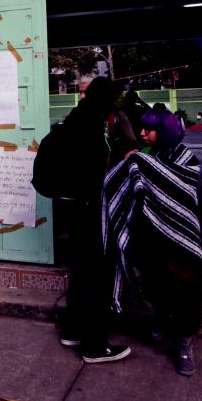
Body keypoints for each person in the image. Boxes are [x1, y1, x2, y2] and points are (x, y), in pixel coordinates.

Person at [102, 108, 202, 376]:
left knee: (188, 286)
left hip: (181, 237)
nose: (142, 134)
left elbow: (182, 188)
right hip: (151, 234)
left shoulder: (187, 159)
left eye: (149, 129)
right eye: (142, 129)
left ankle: (184, 342)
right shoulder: (144, 156)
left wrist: (141, 164)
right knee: (155, 280)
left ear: (166, 131)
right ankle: (161, 316)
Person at [56, 77, 133, 363]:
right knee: (95, 275)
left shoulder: (76, 117)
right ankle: (94, 346)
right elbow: (96, 167)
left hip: (75, 208)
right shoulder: (93, 123)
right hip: (91, 209)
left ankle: (72, 330)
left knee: (80, 270)